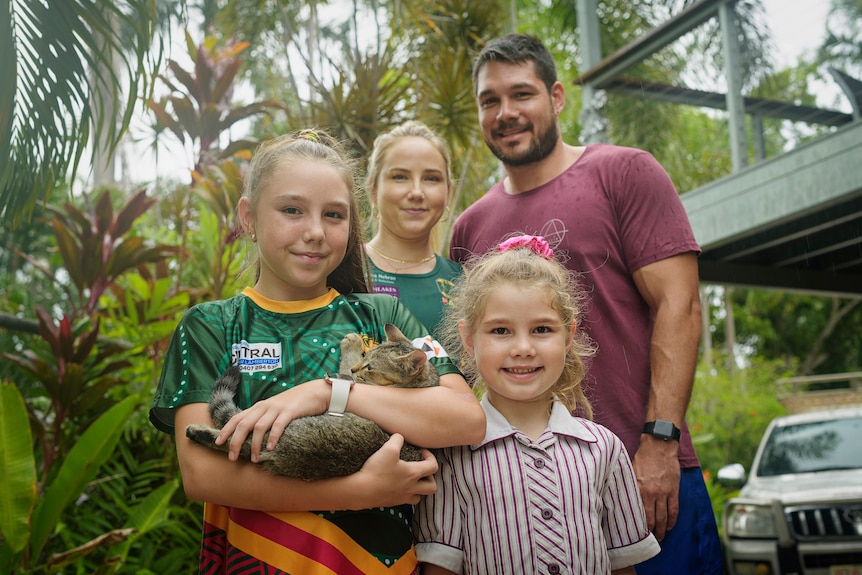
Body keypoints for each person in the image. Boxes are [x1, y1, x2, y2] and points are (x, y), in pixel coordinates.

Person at [149, 128, 485, 574]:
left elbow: (466, 417)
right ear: (247, 217)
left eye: (333, 215)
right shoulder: (212, 325)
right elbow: (203, 475)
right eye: (291, 210)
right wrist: (359, 491)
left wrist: (331, 393)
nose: (314, 231)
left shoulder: (384, 314)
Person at [449, 34, 723, 573]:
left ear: (556, 97)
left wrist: (659, 443)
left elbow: (681, 306)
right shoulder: (469, 227)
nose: (505, 113)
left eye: (521, 94)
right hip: (516, 495)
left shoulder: (625, 173)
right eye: (489, 100)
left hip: (643, 469)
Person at [413, 235, 660, 574]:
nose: (523, 348)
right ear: (469, 339)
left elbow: (623, 567)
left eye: (542, 329)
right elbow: (440, 569)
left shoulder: (605, 450)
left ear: (568, 336)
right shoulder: (452, 457)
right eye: (501, 330)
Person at [365, 120, 462, 338]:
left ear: (448, 191)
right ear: (373, 188)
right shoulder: (342, 268)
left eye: (431, 178)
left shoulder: (461, 280)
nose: (417, 192)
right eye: (400, 177)